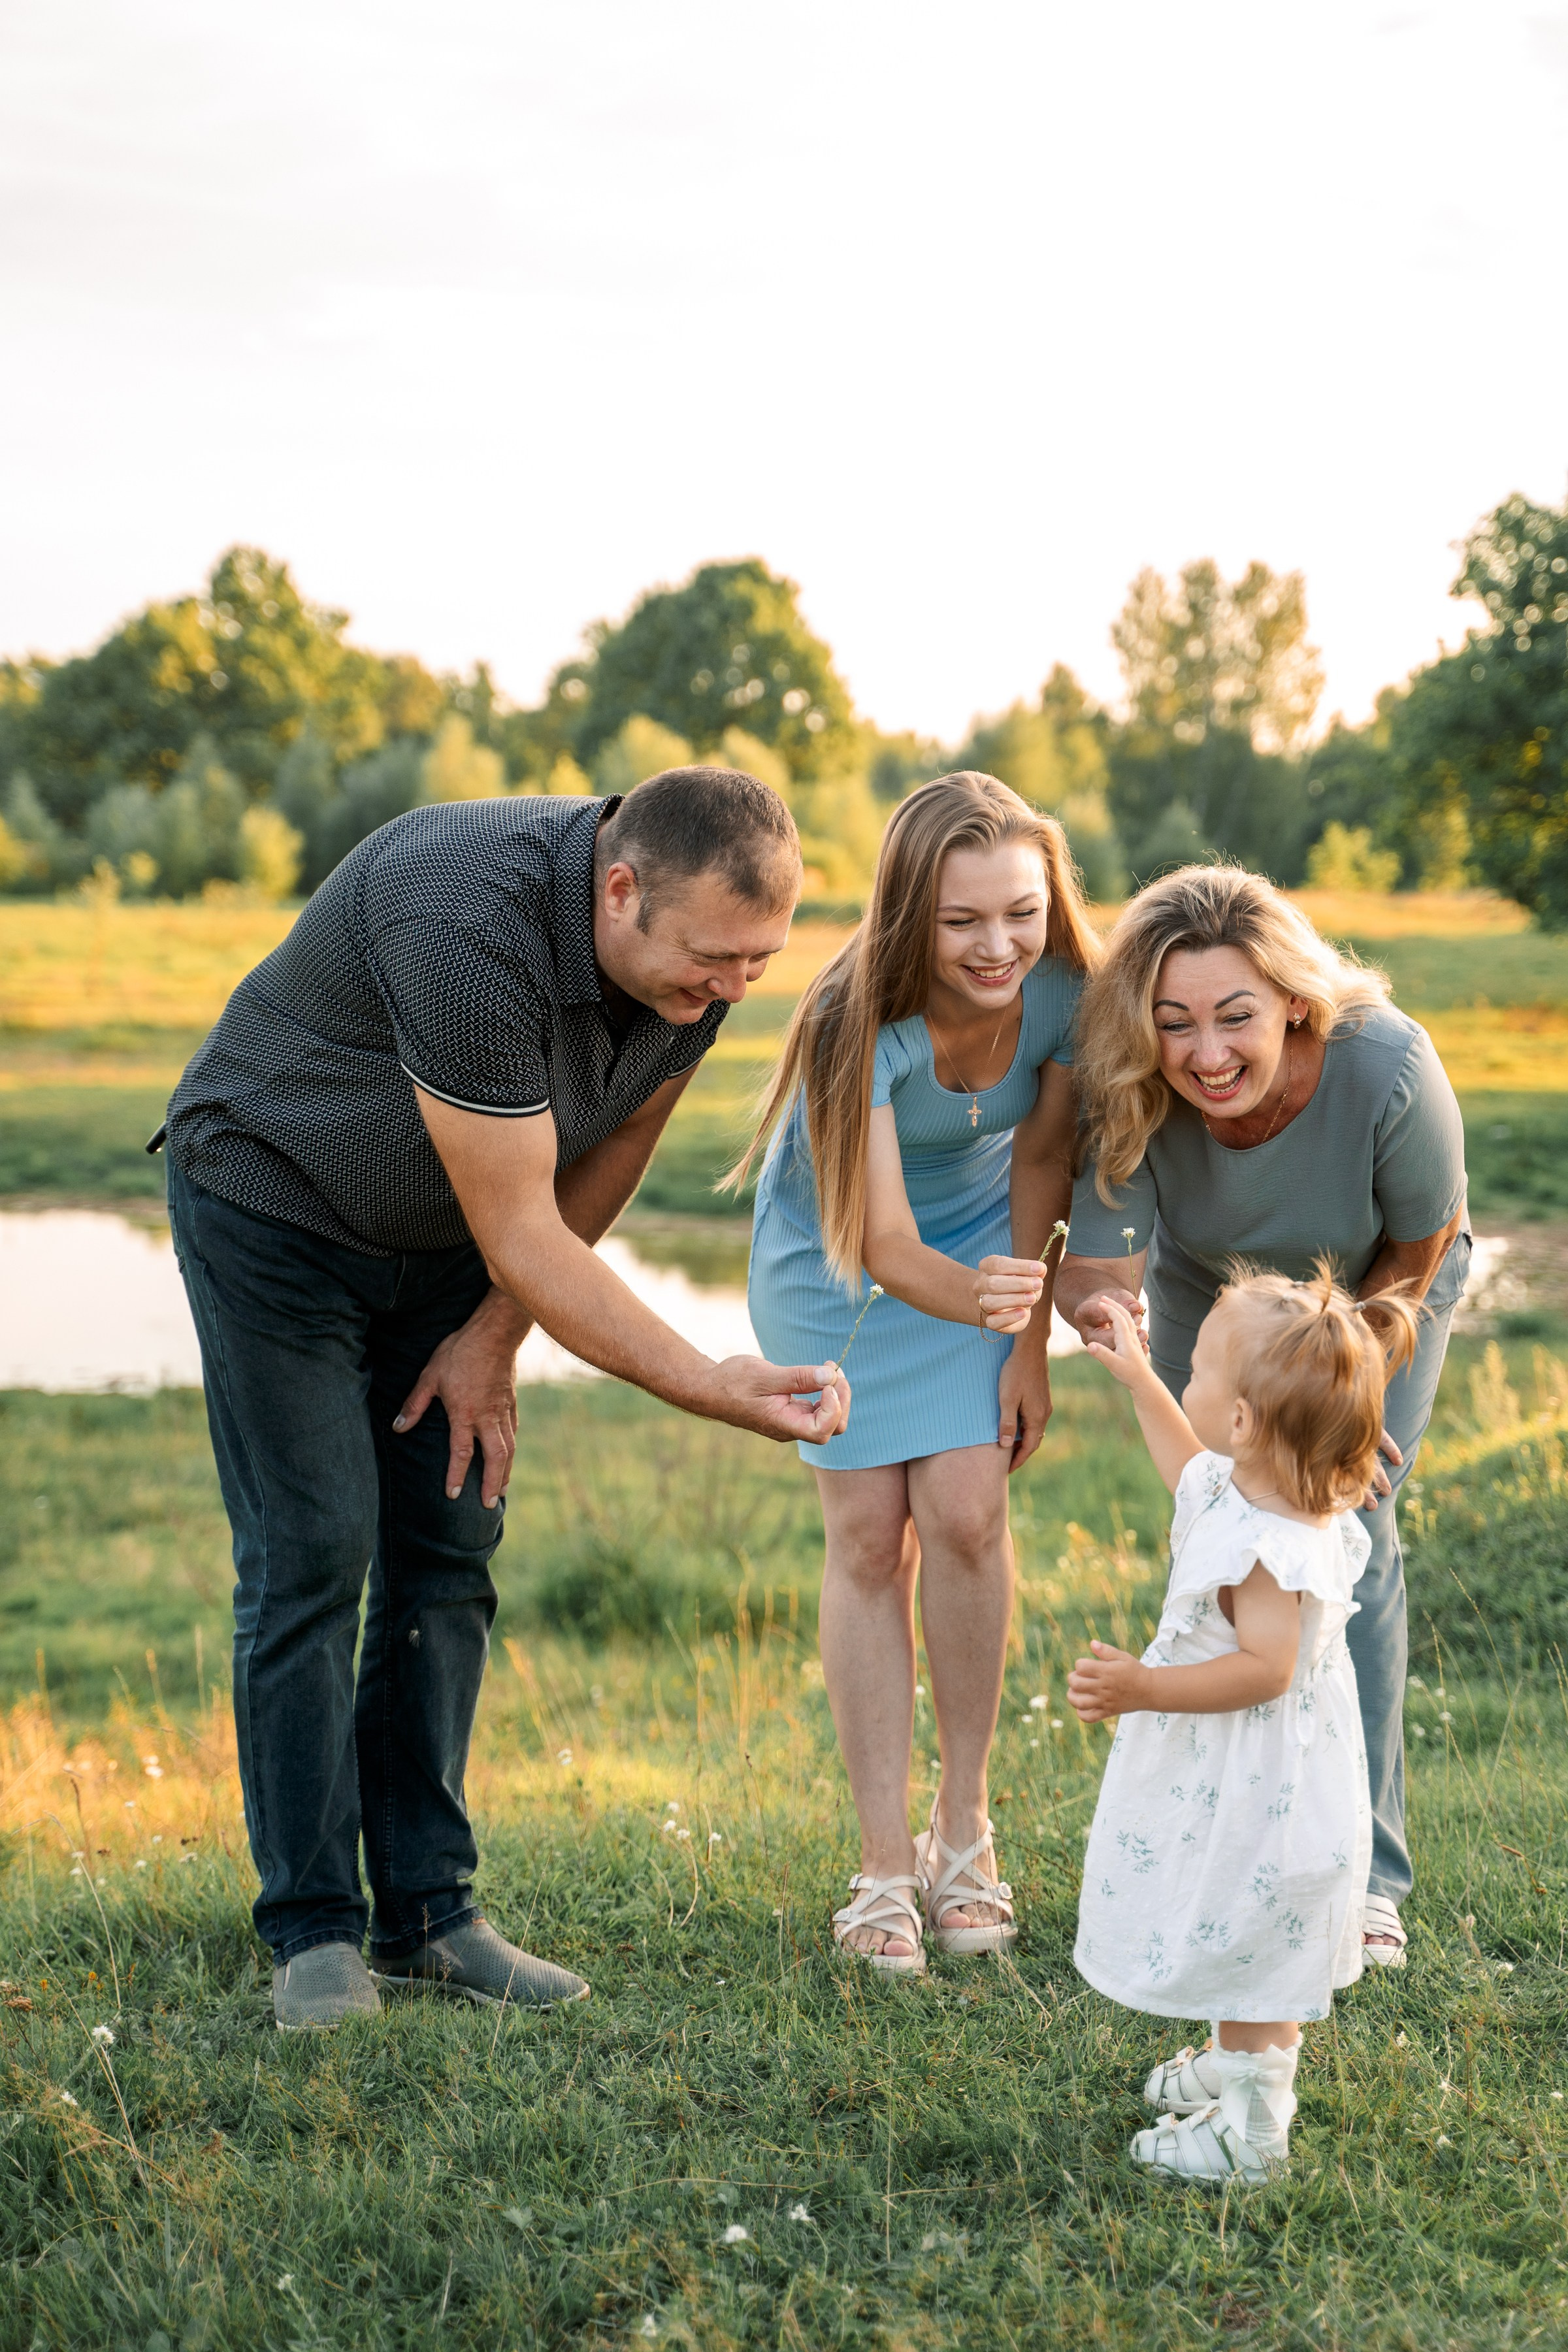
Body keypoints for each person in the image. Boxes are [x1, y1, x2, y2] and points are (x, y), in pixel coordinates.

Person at [155, 769, 851, 2031]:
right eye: (715, 959)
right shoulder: (464, 920)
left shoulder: (691, 962)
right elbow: (526, 1227)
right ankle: (314, 1933)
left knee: (450, 1543)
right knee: (314, 1550)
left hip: (451, 1242)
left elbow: (615, 1145)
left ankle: (429, 1914)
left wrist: (491, 1336)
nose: (736, 990)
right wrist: (711, 1380)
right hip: (277, 1209)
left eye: (763, 961)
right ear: (621, 889)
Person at [1053, 866, 1468, 1970]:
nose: (1207, 1055)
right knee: (1226, 1531)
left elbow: (1418, 1250)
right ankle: (1227, 1835)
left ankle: (1366, 1877)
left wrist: (1347, 1401)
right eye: (1175, 1022)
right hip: (1219, 1297)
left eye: (1235, 1016)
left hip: (1382, 1302)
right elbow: (1097, 1268)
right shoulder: (1136, 1083)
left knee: (1348, 1540)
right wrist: (1110, 1323)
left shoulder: (1389, 1068)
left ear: (1292, 997)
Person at [739, 773, 1096, 1974]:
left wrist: (1027, 1336)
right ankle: (883, 1863)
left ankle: (965, 1838)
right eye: (963, 923)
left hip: (976, 1247)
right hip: (836, 1262)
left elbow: (1045, 1150)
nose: (999, 947)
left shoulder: (1063, 995)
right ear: (910, 917)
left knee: (967, 1510)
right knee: (867, 1537)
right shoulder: (857, 1015)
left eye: (1021, 913)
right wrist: (993, 1302)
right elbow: (883, 1245)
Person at [1069, 1264, 1420, 2180]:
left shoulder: (1274, 1551)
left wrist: (1144, 1688)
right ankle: (1236, 2060)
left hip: (1268, 1786)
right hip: (1248, 1777)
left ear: (1243, 1423)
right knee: (1232, 1913)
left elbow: (1266, 1670)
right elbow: (1187, 1469)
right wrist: (1142, 1376)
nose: (1187, 1382)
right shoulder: (1245, 1487)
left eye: (1197, 1373)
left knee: (1253, 1925)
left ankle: (1253, 2130)